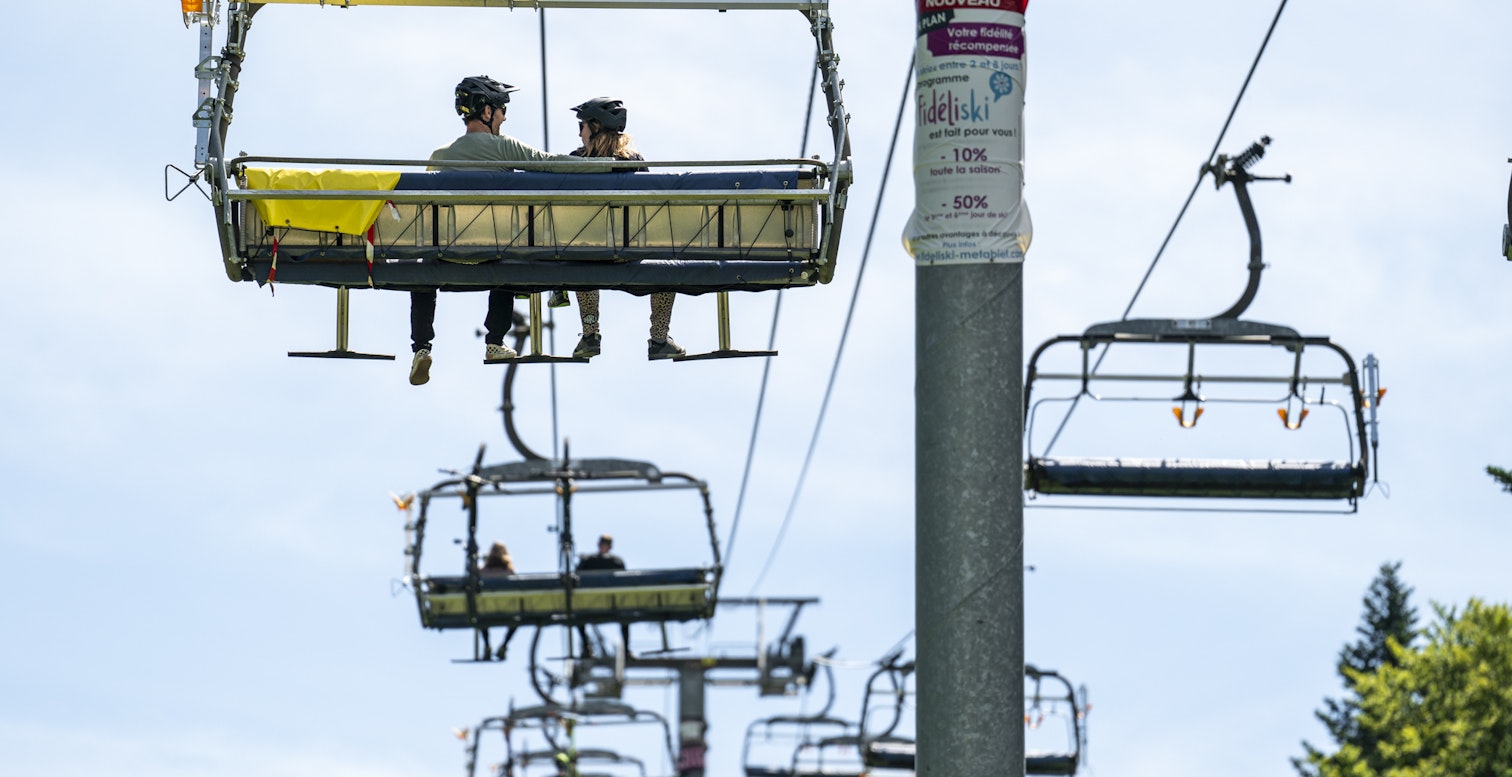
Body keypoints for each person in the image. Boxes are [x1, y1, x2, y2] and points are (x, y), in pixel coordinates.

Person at [408, 75, 583, 385]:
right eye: (502, 109)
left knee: (422, 272)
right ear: (486, 111)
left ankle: (421, 347)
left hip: (446, 253)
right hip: (491, 251)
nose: (504, 116)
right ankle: (495, 341)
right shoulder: (505, 147)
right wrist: (601, 162)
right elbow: (551, 163)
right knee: (509, 253)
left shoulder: (440, 156)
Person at [565, 97, 685, 361]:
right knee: (667, 265)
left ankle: (590, 333)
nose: (579, 132)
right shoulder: (634, 162)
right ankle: (659, 338)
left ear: (596, 127)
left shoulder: (575, 162)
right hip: (629, 249)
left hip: (587, 252)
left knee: (579, 260)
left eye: (582, 125)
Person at [577, 533, 632, 657]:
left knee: (626, 618)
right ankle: (586, 647)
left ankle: (626, 650)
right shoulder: (589, 560)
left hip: (611, 603)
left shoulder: (615, 561)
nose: (604, 547)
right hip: (591, 602)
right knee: (578, 617)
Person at [479, 541, 519, 660]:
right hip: (507, 611)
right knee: (517, 619)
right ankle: (504, 645)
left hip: (486, 611)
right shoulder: (509, 573)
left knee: (479, 617)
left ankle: (487, 645)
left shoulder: (482, 572)